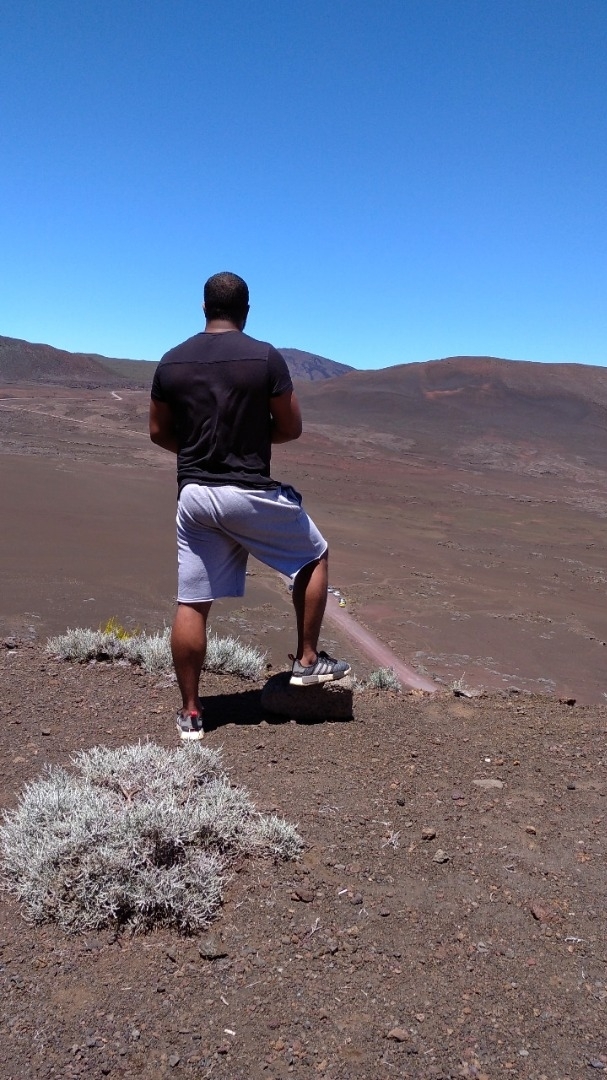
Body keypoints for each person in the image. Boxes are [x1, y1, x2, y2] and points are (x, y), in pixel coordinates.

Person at [149, 271, 350, 740]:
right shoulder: (264, 358)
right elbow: (291, 427)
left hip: (194, 495)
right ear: (246, 311)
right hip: (247, 491)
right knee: (314, 554)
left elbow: (158, 432)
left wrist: (197, 450)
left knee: (192, 600)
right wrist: (251, 439)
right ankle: (308, 659)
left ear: (204, 308)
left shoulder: (171, 361)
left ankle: (191, 713)